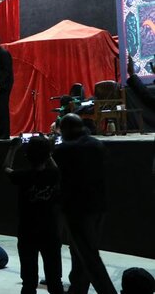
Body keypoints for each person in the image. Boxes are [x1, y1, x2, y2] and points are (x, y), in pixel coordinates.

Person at [53, 114, 117, 294]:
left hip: (76, 209)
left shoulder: (63, 150)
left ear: (64, 130)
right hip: (98, 206)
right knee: (82, 252)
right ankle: (78, 289)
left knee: (88, 255)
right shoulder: (97, 145)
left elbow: (55, 174)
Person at [3, 136, 63, 294]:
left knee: (28, 282)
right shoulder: (54, 175)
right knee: (55, 280)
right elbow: (55, 168)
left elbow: (6, 168)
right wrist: (47, 152)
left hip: (27, 232)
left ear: (27, 156)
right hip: (50, 232)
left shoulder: (22, 176)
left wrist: (12, 148)